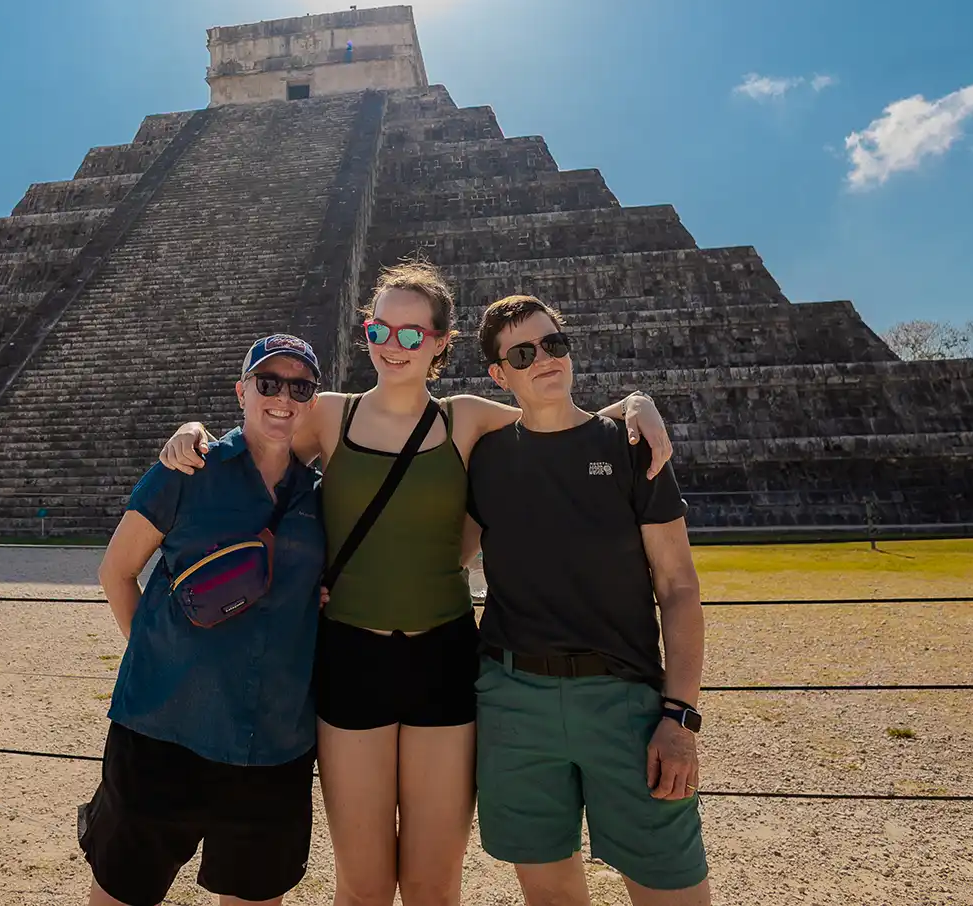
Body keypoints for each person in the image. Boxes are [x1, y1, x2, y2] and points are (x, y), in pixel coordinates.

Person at [158, 260, 675, 906]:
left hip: (444, 661)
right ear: (367, 334)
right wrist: (194, 431)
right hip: (351, 660)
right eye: (381, 331)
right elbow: (257, 436)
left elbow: (559, 417)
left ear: (438, 344)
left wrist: (636, 403)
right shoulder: (329, 417)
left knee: (434, 887)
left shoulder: (465, 419)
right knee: (364, 886)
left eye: (411, 334)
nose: (392, 347)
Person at [466, 294, 710, 905]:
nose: (544, 359)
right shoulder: (486, 458)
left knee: (672, 888)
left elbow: (678, 586)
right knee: (548, 894)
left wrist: (679, 716)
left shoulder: (631, 447)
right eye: (523, 353)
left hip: (625, 703)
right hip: (513, 699)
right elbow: (442, 556)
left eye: (554, 344)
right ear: (499, 375)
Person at [82, 333, 327, 906]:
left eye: (299, 386)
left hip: (272, 742)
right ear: (241, 392)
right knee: (123, 892)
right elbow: (116, 572)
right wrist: (159, 661)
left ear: (313, 400)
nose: (282, 398)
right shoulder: (188, 469)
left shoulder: (320, 498)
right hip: (165, 729)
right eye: (267, 383)